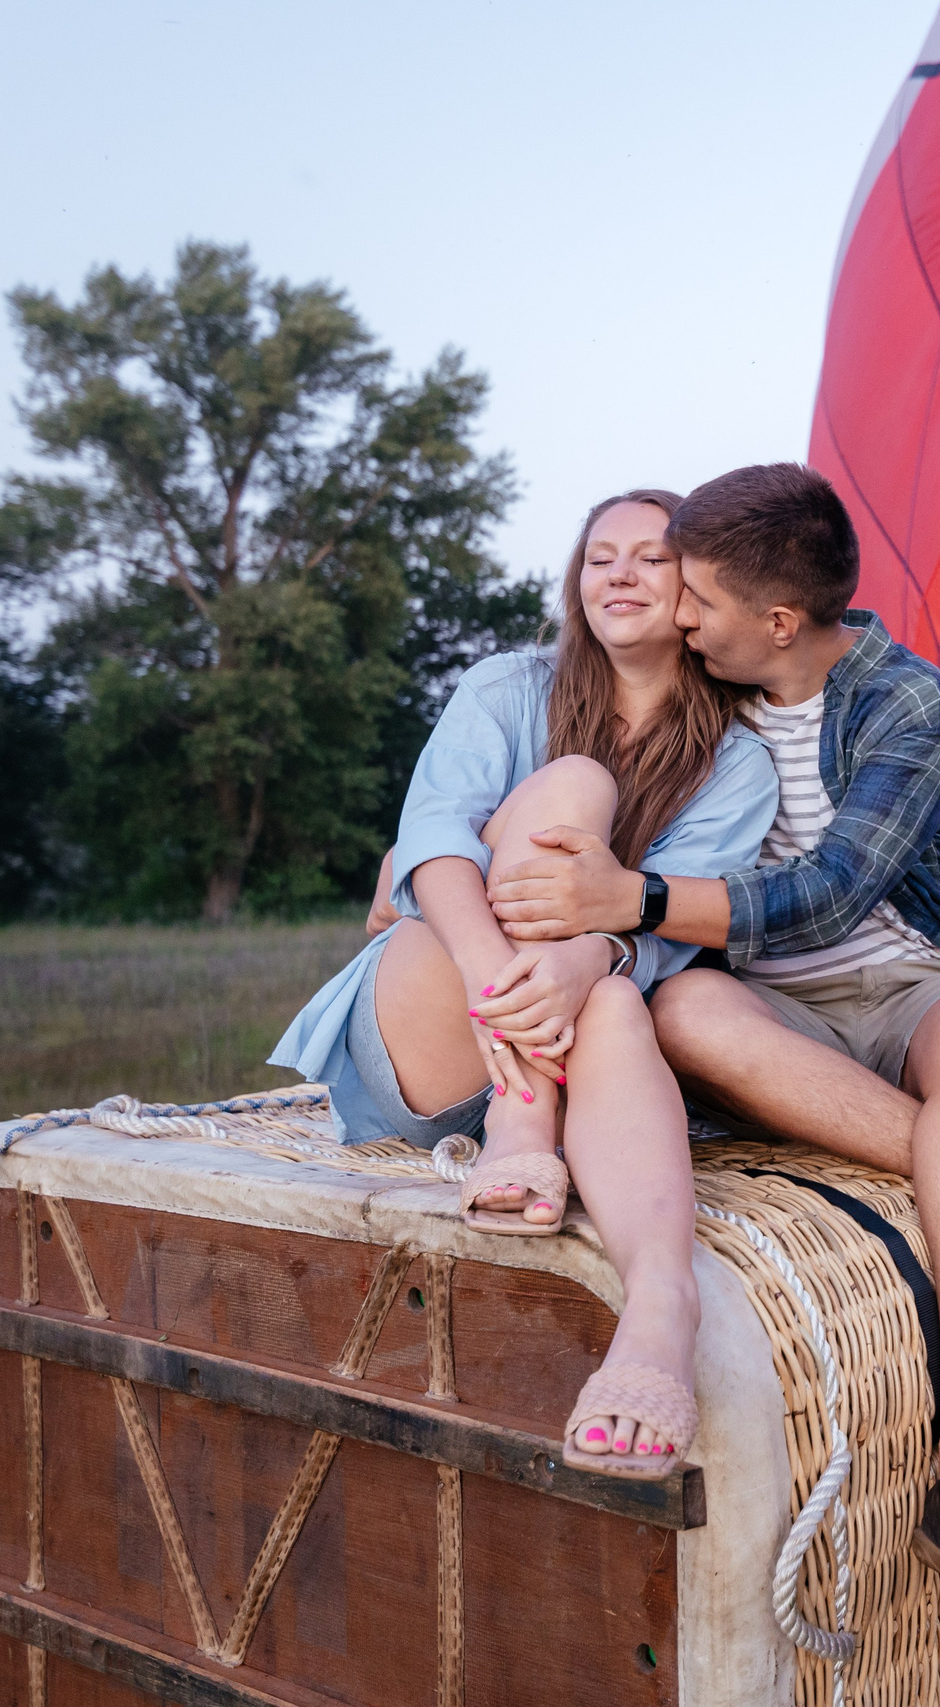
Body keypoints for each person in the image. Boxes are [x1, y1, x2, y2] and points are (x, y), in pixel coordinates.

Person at [485, 463, 940, 1609]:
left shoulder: (905, 703)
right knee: (679, 1010)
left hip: (903, 976)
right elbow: (555, 767)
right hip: (755, 1002)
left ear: (779, 621)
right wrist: (429, 846)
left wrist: (632, 900)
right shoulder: (700, 686)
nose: (677, 612)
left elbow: (831, 895)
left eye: (698, 598)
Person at [270, 488, 777, 1481]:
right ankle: (519, 1117)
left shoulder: (738, 764)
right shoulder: (509, 686)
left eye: (650, 557)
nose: (619, 573)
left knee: (618, 993)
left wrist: (585, 960)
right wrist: (494, 974)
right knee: (576, 785)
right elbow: (429, 843)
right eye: (600, 556)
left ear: (695, 590)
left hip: (582, 1032)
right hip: (439, 1009)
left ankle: (660, 1310)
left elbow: (675, 925)